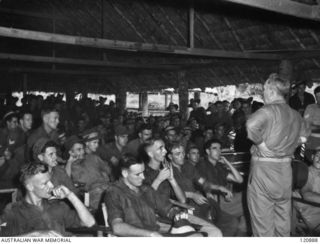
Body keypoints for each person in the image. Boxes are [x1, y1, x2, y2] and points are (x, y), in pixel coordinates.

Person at [246, 73, 308, 236]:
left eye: (265, 89)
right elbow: (304, 136)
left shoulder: (268, 110)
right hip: (285, 172)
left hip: (265, 171)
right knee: (282, 222)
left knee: (262, 225)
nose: (263, 93)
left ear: (272, 91)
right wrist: (287, 147)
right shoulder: (295, 114)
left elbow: (251, 125)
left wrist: (262, 145)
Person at [104, 156, 222, 237]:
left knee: (205, 234)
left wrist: (177, 214)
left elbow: (167, 208)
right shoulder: (114, 192)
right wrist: (149, 234)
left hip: (156, 232)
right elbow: (117, 227)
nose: (143, 177)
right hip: (138, 237)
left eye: (143, 172)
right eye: (137, 174)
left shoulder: (145, 189)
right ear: (125, 173)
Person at [0, 163, 95, 236]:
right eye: (45, 183)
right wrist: (33, 236)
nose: (51, 186)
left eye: (50, 181)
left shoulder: (56, 206)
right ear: (30, 187)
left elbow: (89, 222)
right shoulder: (14, 211)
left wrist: (70, 195)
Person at [168, 143, 239, 236]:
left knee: (232, 222)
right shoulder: (167, 170)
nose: (182, 156)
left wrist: (219, 188)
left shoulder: (188, 166)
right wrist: (192, 195)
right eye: (177, 154)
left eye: (183, 153)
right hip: (183, 209)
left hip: (198, 204)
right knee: (215, 227)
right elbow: (170, 194)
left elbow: (202, 181)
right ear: (170, 156)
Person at [296, 148, 320, 230]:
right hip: (311, 215)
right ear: (312, 157)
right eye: (317, 156)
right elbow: (306, 195)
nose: (319, 159)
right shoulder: (306, 172)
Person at [304, 86, 320, 161]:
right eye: (317, 96)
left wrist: (315, 126)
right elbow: (307, 126)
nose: (319, 98)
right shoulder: (311, 108)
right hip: (313, 142)